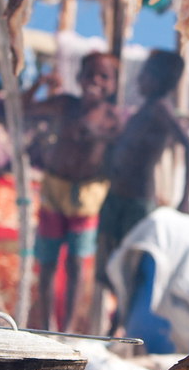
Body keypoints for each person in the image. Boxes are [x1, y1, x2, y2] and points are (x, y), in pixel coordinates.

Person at [24, 52, 121, 331]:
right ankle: (47, 325)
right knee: (47, 261)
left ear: (113, 85)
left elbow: (118, 151)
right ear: (79, 78)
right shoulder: (65, 104)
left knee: (77, 263)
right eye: (90, 74)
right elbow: (26, 107)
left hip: (87, 196)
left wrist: (96, 135)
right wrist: (39, 82)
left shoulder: (112, 118)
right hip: (54, 190)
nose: (95, 81)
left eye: (104, 77)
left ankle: (67, 330)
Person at [97, 50, 189, 282]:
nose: (139, 79)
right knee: (108, 271)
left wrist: (185, 199)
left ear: (158, 80)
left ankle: (123, 308)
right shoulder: (144, 110)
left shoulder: (160, 109)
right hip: (116, 198)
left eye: (145, 75)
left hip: (135, 202)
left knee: (127, 273)